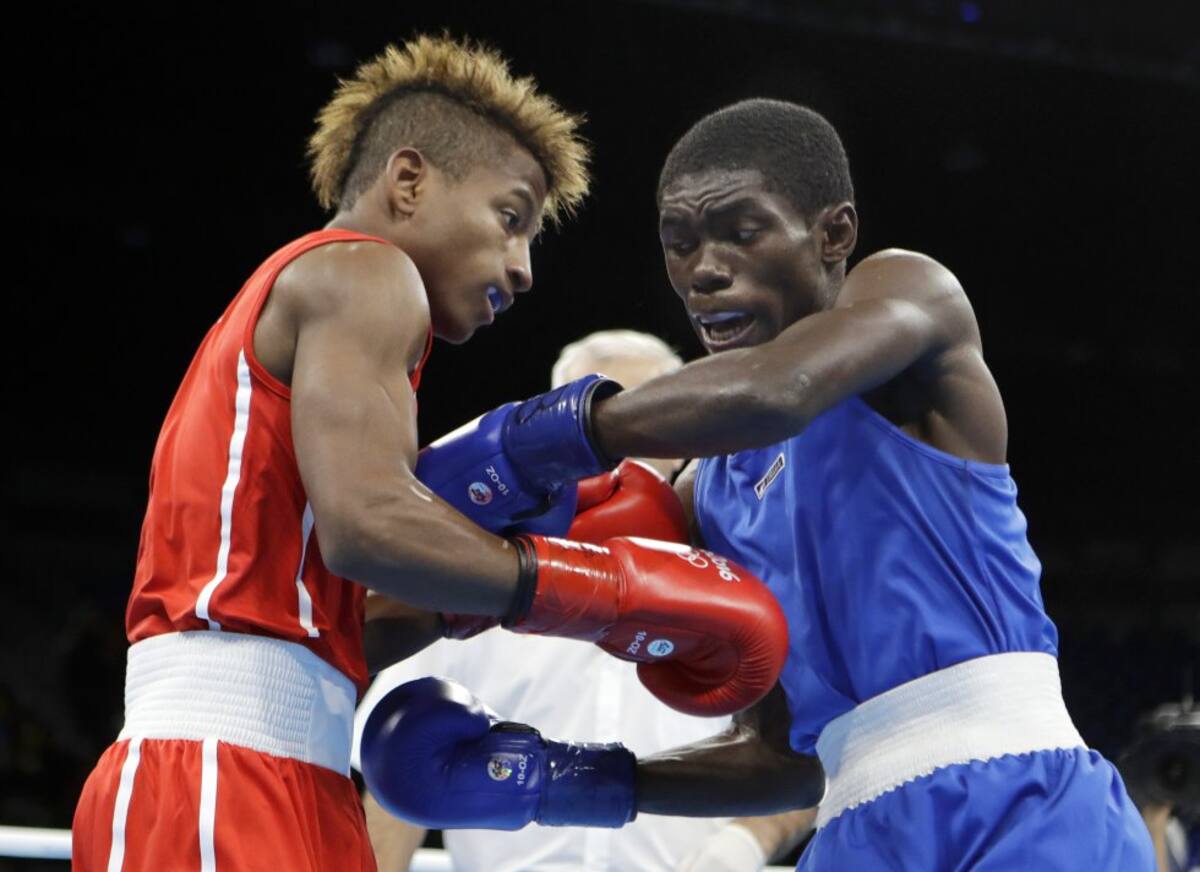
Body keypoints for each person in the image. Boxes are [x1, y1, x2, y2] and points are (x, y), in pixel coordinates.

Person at [366, 98, 1156, 869]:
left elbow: (776, 391)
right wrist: (563, 779)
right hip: (856, 832)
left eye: (741, 233)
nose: (704, 271)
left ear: (833, 233)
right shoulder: (709, 495)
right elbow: (784, 762)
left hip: (1023, 801)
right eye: (679, 245)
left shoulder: (912, 296)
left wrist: (538, 438)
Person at [70, 37, 791, 871]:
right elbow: (368, 528)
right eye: (511, 218)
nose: (523, 268)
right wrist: (594, 590)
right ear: (408, 180)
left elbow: (342, 623)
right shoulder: (362, 272)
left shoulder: (336, 328)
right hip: (213, 770)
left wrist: (470, 600)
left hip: (292, 769)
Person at [356, 329, 815, 871]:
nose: (615, 444)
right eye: (597, 424)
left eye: (645, 421)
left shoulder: (746, 580)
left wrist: (739, 848)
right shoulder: (472, 577)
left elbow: (808, 752)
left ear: (681, 444)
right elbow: (406, 769)